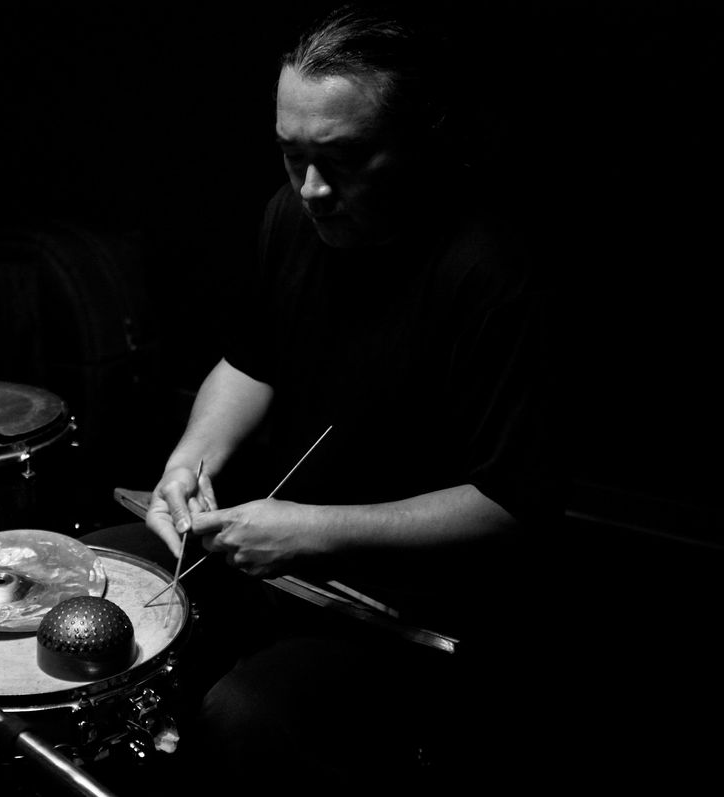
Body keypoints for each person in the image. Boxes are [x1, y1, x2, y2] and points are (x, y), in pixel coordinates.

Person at [82, 4, 561, 794]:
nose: (311, 188)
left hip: (407, 603)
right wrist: (188, 464)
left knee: (245, 717)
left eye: (343, 158)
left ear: (422, 139)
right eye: (291, 154)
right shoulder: (292, 218)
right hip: (269, 553)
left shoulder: (496, 272)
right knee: (86, 582)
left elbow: (513, 505)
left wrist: (312, 530)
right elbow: (248, 363)